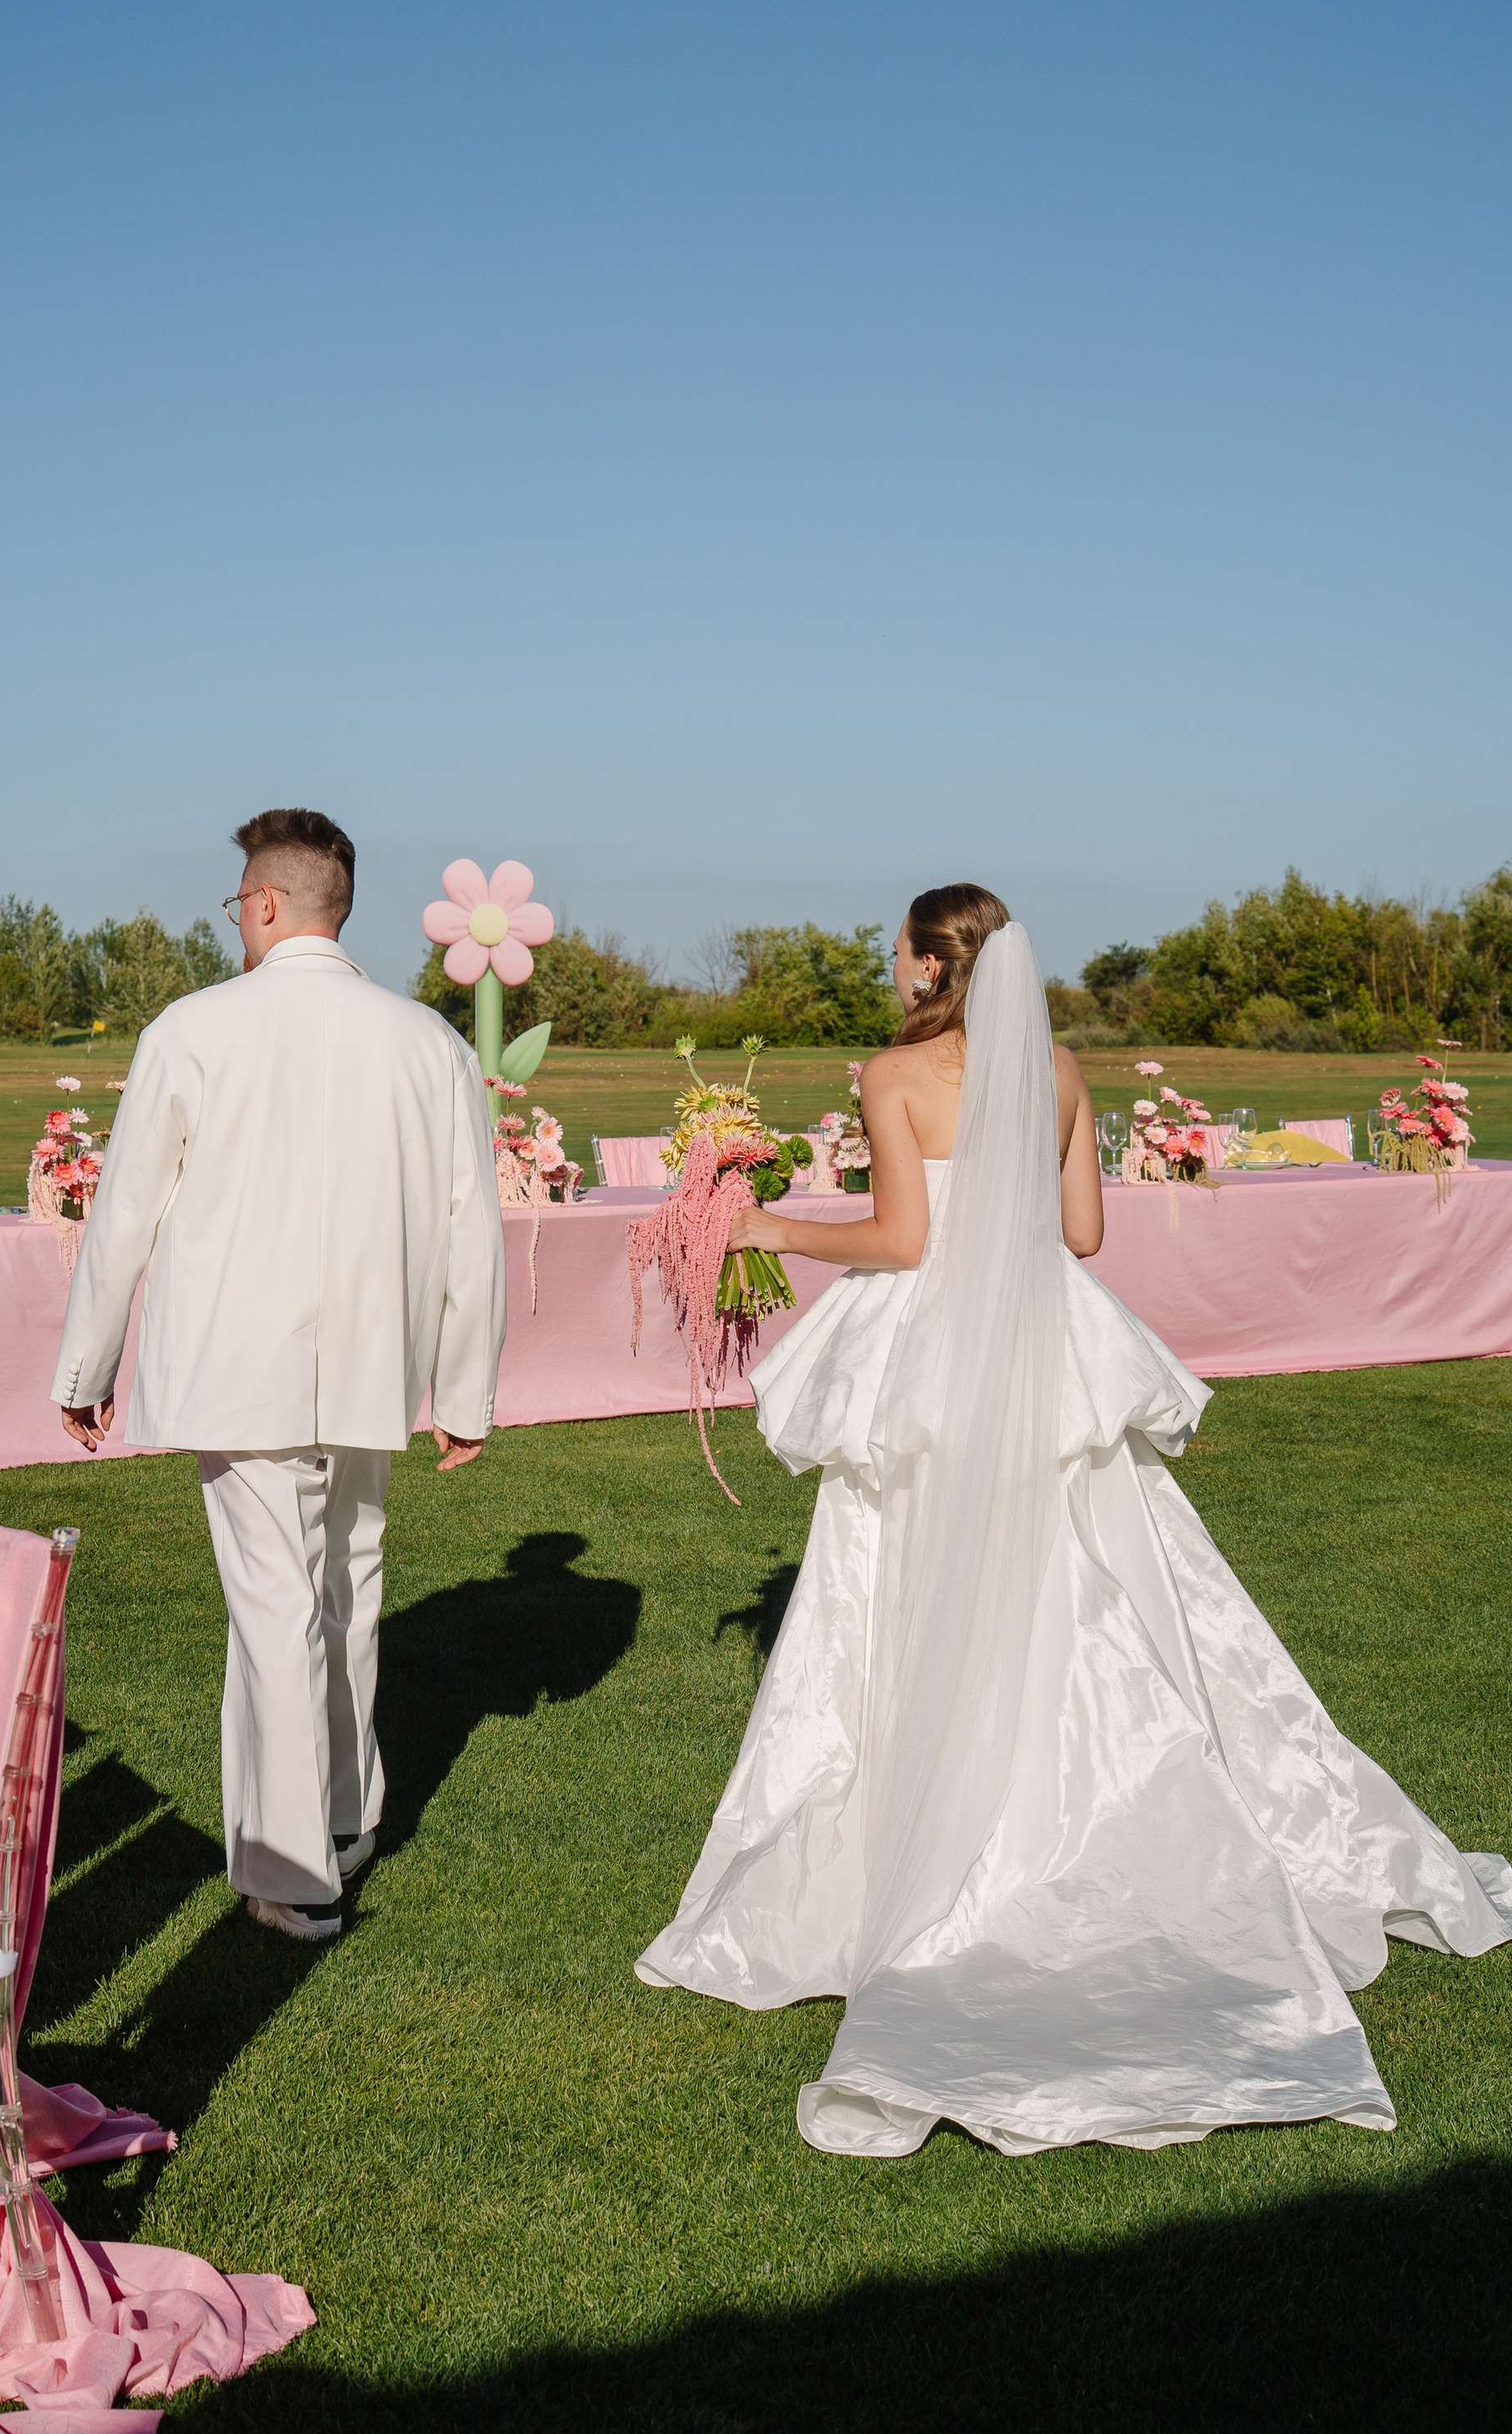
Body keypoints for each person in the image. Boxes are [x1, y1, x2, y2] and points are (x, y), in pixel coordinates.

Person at [637, 882, 1512, 2153]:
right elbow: (1086, 1231)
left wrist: (759, 1221)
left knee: (900, 1592)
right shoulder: (1055, 1068)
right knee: (1098, 1585)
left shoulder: (893, 1076)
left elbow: (899, 1237)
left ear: (936, 965)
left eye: (899, 954)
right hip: (1047, 1350)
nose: (891, 972)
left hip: (932, 1361)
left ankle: (922, 1848)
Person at [51, 807, 507, 1942]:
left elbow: (125, 1212)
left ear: (263, 904)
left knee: (276, 1608)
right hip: (370, 1360)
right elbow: (472, 1229)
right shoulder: (429, 1042)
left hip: (236, 1361)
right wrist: (463, 1389)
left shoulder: (194, 1028)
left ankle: (296, 1871)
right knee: (347, 1582)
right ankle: (347, 1816)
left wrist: (85, 1363)